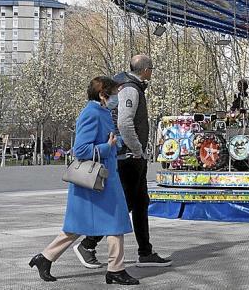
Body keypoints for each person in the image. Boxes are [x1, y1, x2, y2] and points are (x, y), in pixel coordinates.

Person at [29, 77, 139, 285]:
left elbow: (106, 139)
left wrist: (119, 144)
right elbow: (80, 150)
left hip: (103, 181)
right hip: (94, 182)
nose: (117, 98)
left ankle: (45, 258)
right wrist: (108, 147)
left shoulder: (102, 112)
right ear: (102, 94)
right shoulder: (91, 113)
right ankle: (115, 270)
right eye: (114, 93)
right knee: (105, 224)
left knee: (94, 225)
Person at [77, 55, 172, 269]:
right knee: (125, 204)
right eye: (151, 69)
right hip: (128, 157)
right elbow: (125, 122)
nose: (152, 73)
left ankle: (145, 252)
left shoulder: (130, 86)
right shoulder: (130, 89)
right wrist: (137, 149)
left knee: (140, 204)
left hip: (131, 156)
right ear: (146, 70)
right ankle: (88, 244)